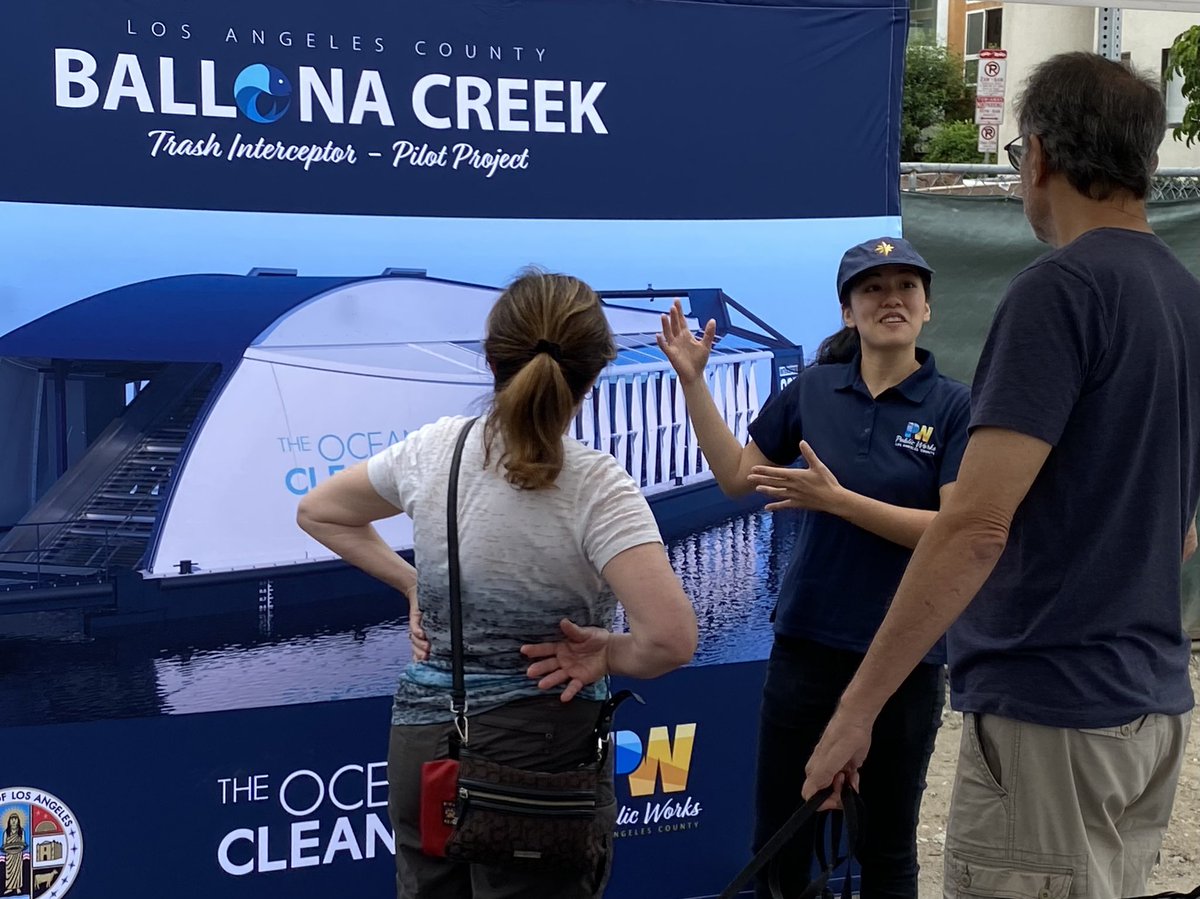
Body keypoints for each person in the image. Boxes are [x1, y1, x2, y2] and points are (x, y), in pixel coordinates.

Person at [804, 52, 1200, 899]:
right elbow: (1183, 525)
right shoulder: (1182, 295)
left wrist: (855, 708)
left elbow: (978, 526)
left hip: (1048, 712)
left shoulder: (1059, 290)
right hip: (1149, 707)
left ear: (1042, 155)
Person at [296, 270, 698, 899]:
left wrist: (415, 587)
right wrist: (606, 652)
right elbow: (670, 641)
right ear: (596, 375)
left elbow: (319, 511)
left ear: (490, 360)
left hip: (426, 741)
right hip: (541, 756)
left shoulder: (432, 451)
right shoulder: (597, 486)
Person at [657, 236, 970, 897]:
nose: (892, 298)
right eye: (872, 288)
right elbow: (738, 477)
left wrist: (839, 502)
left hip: (905, 661)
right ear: (848, 313)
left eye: (906, 286)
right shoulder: (814, 390)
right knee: (780, 838)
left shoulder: (954, 408)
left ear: (927, 308)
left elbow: (951, 534)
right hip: (808, 645)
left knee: (886, 848)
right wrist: (693, 382)